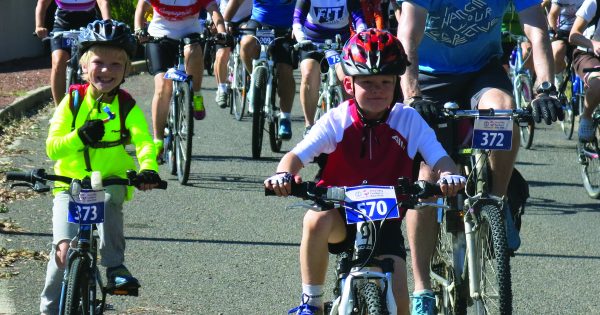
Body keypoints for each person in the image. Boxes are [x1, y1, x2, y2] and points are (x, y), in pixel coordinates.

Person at [265, 29, 466, 315]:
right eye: (367, 82)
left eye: (385, 82)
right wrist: (283, 175)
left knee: (401, 306)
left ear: (397, 83)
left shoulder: (408, 120)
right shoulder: (337, 120)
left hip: (386, 222)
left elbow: (439, 157)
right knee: (314, 220)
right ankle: (311, 302)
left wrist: (447, 176)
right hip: (338, 214)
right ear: (349, 83)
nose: (377, 89)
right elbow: (296, 156)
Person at [397, 1, 562, 314]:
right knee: (428, 178)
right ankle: (422, 289)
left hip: (481, 74)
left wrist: (544, 88)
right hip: (430, 79)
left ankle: (493, 204)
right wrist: (413, 96)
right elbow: (409, 35)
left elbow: (537, 29)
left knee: (503, 111)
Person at [40, 19, 163, 315]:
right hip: (68, 183)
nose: (106, 70)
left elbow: (144, 141)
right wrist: (79, 136)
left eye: (115, 64)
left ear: (126, 70)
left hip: (110, 180)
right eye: (98, 62)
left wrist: (148, 168)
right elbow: (52, 146)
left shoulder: (126, 105)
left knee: (108, 203)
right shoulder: (72, 101)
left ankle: (115, 266)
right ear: (83, 67)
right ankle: (48, 310)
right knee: (64, 252)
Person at [134, 0, 226, 158]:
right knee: (163, 87)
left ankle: (196, 94)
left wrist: (221, 31)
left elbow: (214, 9)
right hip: (159, 35)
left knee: (193, 49)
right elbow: (142, 6)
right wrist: (139, 30)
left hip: (189, 33)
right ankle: (157, 140)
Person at [224, 0, 297, 140]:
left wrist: (301, 25)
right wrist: (226, 22)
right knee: (246, 43)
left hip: (286, 27)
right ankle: (254, 80)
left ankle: (285, 118)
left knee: (285, 71)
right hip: (259, 22)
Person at [293, 0, 367, 135]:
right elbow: (297, 19)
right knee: (309, 74)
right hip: (312, 43)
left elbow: (359, 18)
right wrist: (301, 37)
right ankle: (309, 126)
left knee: (346, 77)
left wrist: (362, 33)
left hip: (337, 46)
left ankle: (350, 122)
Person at [34, 0, 111, 106]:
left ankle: (96, 102)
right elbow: (42, 4)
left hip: (89, 25)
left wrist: (107, 23)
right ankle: (59, 109)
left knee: (94, 62)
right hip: (63, 25)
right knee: (58, 62)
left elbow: (103, 3)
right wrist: (39, 26)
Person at [569, 0, 600, 142]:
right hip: (587, 54)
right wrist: (592, 43)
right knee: (599, 82)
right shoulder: (593, 3)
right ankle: (586, 117)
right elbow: (573, 35)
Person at [213, 0, 252, 108]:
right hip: (223, 19)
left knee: (250, 47)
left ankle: (254, 83)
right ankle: (222, 89)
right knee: (222, 54)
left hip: (247, 19)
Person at [548, 0, 584, 86]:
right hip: (563, 30)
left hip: (583, 31)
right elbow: (552, 15)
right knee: (557, 49)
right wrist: (553, 32)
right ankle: (558, 78)